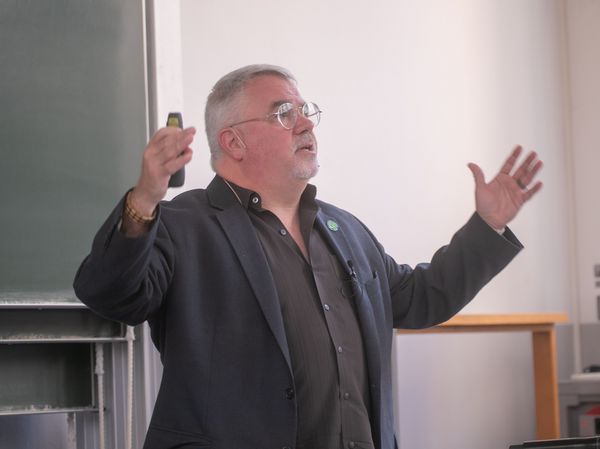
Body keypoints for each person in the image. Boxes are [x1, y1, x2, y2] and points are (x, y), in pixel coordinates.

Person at [74, 64, 543, 449]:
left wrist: (488, 226)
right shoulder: (184, 224)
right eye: (283, 113)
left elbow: (421, 299)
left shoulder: (346, 230)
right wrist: (144, 200)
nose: (306, 124)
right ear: (233, 141)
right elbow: (112, 294)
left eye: (306, 111)